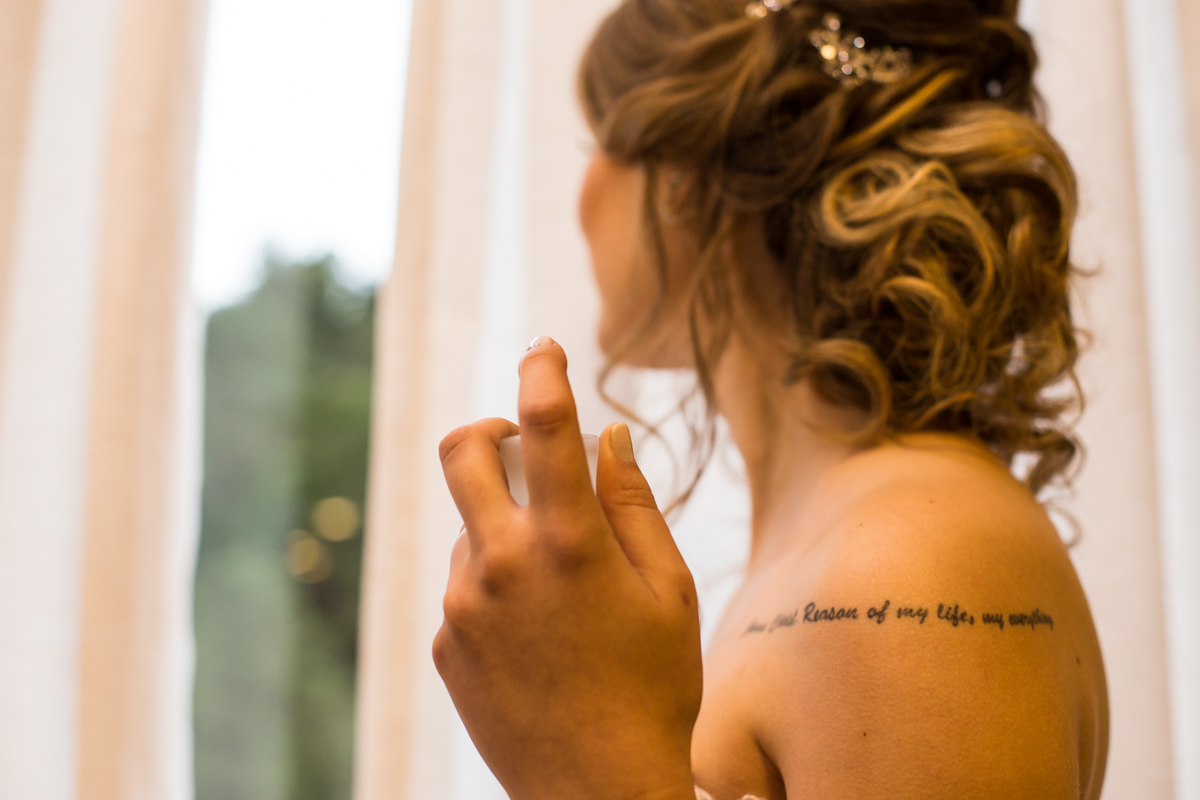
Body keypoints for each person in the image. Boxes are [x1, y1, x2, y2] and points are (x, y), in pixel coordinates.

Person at [432, 0, 1109, 797]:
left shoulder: (906, 565)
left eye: (597, 140)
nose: (581, 188)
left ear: (683, 176)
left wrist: (583, 757)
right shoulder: (827, 551)